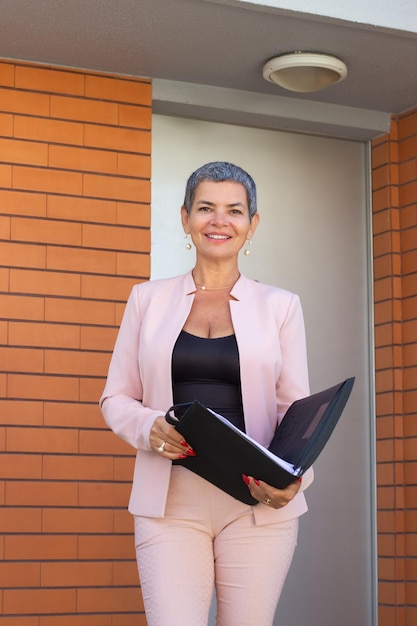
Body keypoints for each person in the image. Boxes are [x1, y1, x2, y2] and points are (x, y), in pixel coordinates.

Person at [99, 161, 314, 626]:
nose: (219, 221)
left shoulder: (282, 306)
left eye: (234, 211)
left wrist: (294, 480)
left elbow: (295, 412)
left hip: (256, 503)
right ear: (184, 219)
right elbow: (115, 398)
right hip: (169, 501)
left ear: (252, 224)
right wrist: (148, 428)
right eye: (205, 208)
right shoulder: (145, 299)